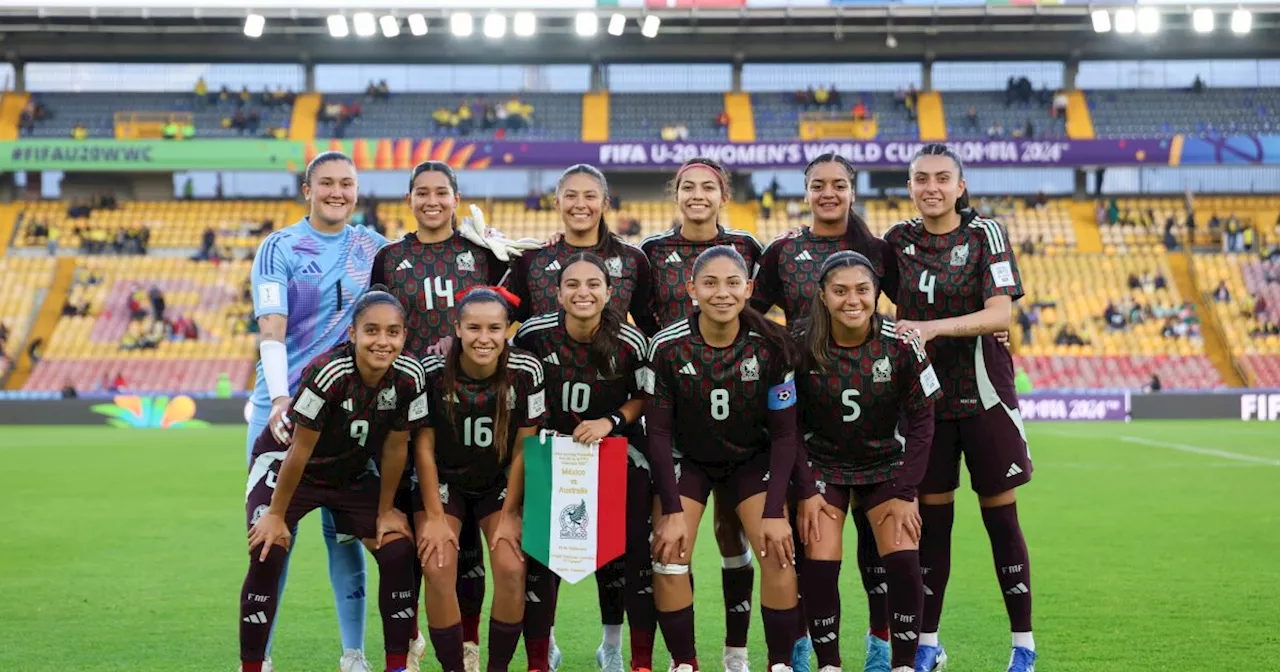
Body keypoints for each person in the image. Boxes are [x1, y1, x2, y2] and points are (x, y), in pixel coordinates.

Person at [884, 144, 1035, 672]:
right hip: (924, 406)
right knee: (933, 528)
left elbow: (1000, 316)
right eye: (921, 178)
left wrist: (930, 328)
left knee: (1001, 522)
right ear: (910, 187)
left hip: (984, 399)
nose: (931, 187)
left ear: (960, 186)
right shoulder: (896, 242)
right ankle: (928, 644)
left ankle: (1023, 646)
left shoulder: (984, 234)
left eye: (942, 178)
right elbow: (854, 297)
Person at [751, 153, 901, 672]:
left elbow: (913, 315)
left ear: (853, 192)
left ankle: (881, 640)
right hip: (807, 415)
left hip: (875, 409)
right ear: (807, 191)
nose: (829, 193)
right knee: (810, 533)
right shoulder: (784, 250)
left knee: (875, 537)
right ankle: (800, 643)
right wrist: (785, 351)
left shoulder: (878, 251)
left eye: (839, 185)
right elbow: (751, 310)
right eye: (819, 185)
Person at [247, 151, 390, 672]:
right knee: (271, 533)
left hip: (352, 409)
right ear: (307, 189)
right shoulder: (278, 247)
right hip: (282, 407)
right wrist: (281, 396)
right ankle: (258, 656)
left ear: (357, 190)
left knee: (347, 532)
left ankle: (353, 654)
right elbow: (272, 328)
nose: (337, 192)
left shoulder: (373, 247)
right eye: (326, 183)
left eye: (346, 184)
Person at [240, 287, 428, 672]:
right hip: (288, 466)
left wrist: (386, 510)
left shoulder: (410, 376)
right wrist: (276, 515)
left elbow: (395, 449)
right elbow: (299, 451)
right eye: (371, 331)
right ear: (353, 334)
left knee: (395, 549)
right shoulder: (328, 372)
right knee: (268, 548)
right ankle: (253, 666)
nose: (382, 341)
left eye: (393, 332)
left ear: (404, 336)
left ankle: (397, 665)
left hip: (348, 472)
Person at [371, 160, 510, 671]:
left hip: (474, 401)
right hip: (412, 401)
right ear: (409, 198)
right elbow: (378, 318)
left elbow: (505, 316)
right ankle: (409, 636)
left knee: (469, 534)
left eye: (442, 192)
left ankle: (469, 645)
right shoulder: (390, 257)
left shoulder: (481, 253)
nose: (432, 200)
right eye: (422, 192)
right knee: (421, 531)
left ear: (456, 198)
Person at [645, 245, 803, 672]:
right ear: (691, 288)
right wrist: (672, 510)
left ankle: (778, 663)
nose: (722, 293)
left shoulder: (772, 345)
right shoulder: (666, 347)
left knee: (776, 550)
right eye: (710, 283)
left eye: (733, 283)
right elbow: (657, 433)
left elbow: (786, 435)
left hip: (751, 460)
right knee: (668, 551)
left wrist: (774, 511)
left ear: (748, 289)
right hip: (690, 461)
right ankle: (685, 663)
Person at [640, 158, 765, 672]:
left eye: (707, 187)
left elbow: (764, 313)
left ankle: (736, 653)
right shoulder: (651, 253)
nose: (697, 194)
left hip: (737, 404)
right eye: (687, 186)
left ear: (722, 194)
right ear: (676, 194)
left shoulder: (749, 249)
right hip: (675, 404)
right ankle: (683, 659)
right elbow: (637, 314)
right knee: (672, 536)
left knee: (731, 532)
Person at [792, 251, 940, 672]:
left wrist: (907, 490)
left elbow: (924, 421)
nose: (851, 300)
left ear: (876, 292)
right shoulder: (801, 346)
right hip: (823, 465)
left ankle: (905, 664)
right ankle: (829, 664)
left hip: (885, 466)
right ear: (822, 295)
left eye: (862, 290)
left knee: (903, 553)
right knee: (820, 557)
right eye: (839, 291)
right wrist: (804, 490)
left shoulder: (902, 343)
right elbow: (787, 427)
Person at [512, 253, 655, 672]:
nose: (583, 292)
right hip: (551, 459)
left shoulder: (631, 342)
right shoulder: (534, 336)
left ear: (610, 293)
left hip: (614, 458)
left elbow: (644, 397)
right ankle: (544, 651)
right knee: (543, 555)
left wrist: (610, 422)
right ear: (557, 293)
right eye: (572, 284)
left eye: (594, 284)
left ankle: (612, 647)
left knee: (620, 556)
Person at [413, 288, 546, 672]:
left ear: (507, 330)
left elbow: (525, 447)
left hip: (498, 482)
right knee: (437, 566)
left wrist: (509, 514)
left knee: (511, 567)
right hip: (446, 481)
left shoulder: (526, 370)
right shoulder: (432, 371)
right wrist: (435, 518)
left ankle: (496, 668)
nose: (483, 338)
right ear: (456, 328)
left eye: (494, 328)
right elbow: (422, 448)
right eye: (473, 327)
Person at [506, 164, 657, 335]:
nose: (580, 204)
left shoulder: (632, 259)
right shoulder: (531, 259)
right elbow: (502, 319)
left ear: (605, 204)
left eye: (590, 196)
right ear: (557, 203)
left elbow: (649, 326)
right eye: (570, 196)